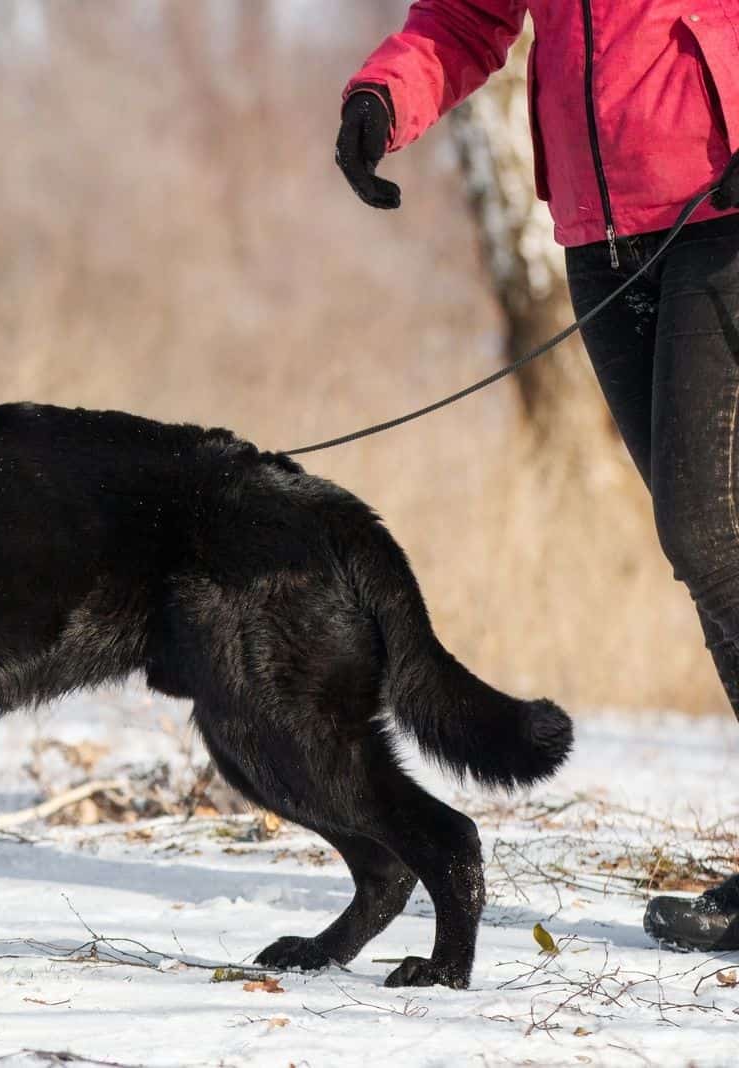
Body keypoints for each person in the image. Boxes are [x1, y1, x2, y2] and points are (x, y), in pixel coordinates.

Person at [338, 0, 739, 952]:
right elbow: (468, 17)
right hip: (603, 235)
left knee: (710, 532)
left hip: (725, 211)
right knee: (710, 548)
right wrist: (382, 101)